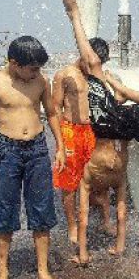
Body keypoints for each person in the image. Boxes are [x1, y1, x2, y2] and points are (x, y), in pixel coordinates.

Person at [62, 0, 139, 266]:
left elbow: (86, 54)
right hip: (114, 143)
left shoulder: (97, 78)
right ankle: (116, 247)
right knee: (118, 200)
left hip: (110, 126)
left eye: (89, 58)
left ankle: (85, 254)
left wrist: (117, 87)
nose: (84, 59)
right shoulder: (90, 78)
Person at [0, 36, 66, 279]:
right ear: (14, 63)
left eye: (39, 68)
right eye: (32, 68)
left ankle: (43, 272)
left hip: (37, 150)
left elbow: (51, 113)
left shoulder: (40, 81)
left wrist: (59, 147)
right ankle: (2, 275)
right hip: (7, 152)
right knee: (3, 212)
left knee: (42, 211)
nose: (37, 73)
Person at [52, 58, 113, 244]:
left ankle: (102, 220)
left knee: (97, 177)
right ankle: (72, 225)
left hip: (90, 131)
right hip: (71, 129)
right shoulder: (64, 75)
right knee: (69, 182)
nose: (95, 67)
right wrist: (61, 140)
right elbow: (55, 108)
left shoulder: (94, 76)